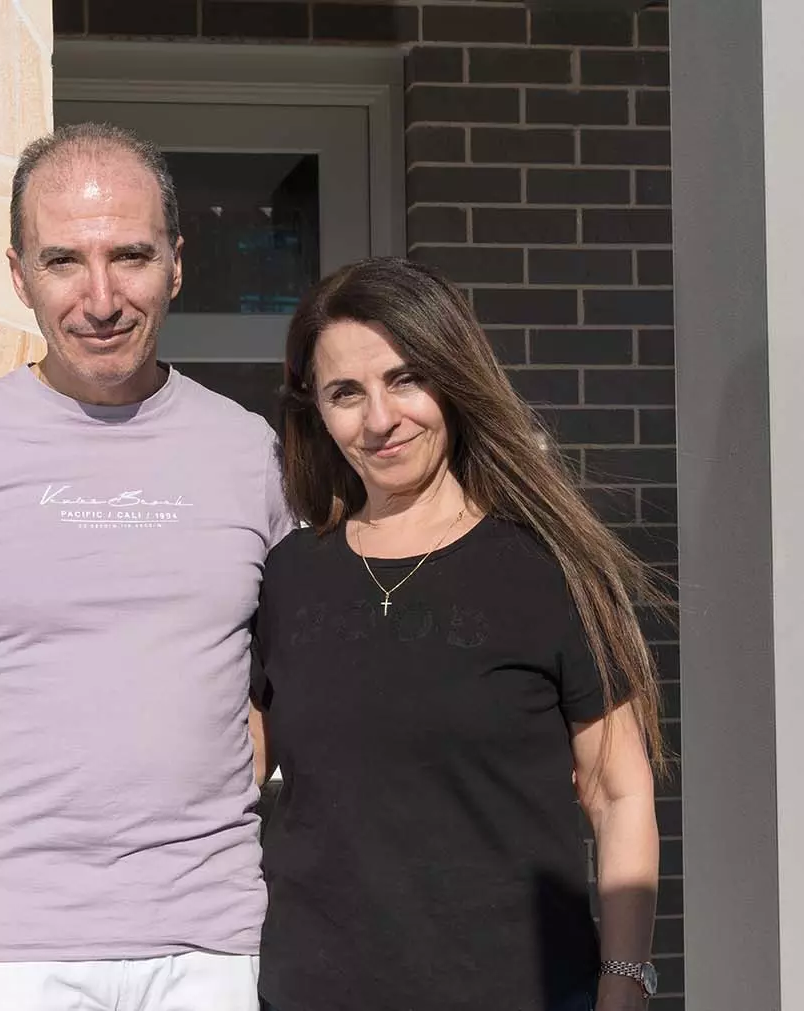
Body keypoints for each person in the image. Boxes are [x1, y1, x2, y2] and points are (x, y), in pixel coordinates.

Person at [0, 121, 292, 1011]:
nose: (102, 296)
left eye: (132, 255)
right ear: (18, 276)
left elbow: (273, 684)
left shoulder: (250, 455)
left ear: (178, 262)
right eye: (63, 261)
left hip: (213, 944)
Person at [251, 257, 667, 1011]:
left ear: (453, 378)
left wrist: (624, 982)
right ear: (316, 411)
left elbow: (619, 790)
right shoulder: (288, 577)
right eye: (346, 393)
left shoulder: (549, 568)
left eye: (405, 378)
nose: (379, 420)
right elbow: (229, 784)